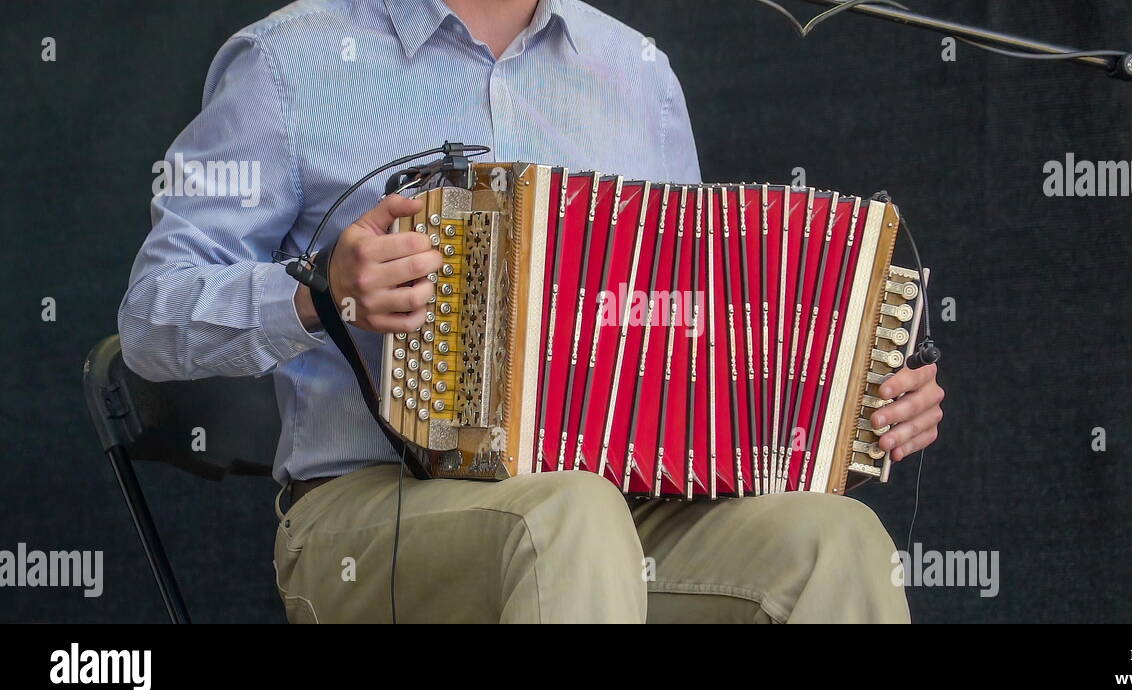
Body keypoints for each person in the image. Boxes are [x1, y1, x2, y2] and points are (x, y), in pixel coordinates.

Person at [119, 0, 944, 623]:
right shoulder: (286, 61)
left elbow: (700, 322)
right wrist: (317, 294)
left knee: (838, 539)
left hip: (627, 514)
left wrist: (851, 401)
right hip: (366, 511)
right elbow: (153, 316)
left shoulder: (637, 71)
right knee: (568, 513)